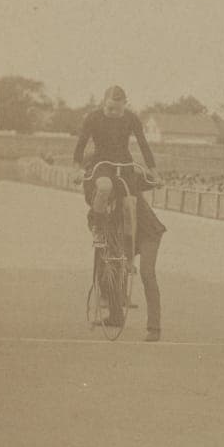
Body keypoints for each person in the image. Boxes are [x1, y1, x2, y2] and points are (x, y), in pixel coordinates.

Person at [71, 86, 166, 342]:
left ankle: (125, 251)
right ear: (103, 103)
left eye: (118, 108)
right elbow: (81, 145)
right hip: (102, 164)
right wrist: (76, 169)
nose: (113, 112)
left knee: (129, 202)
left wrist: (154, 173)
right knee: (104, 187)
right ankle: (99, 226)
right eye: (109, 108)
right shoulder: (93, 118)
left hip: (125, 165)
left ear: (125, 104)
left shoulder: (131, 118)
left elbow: (144, 146)